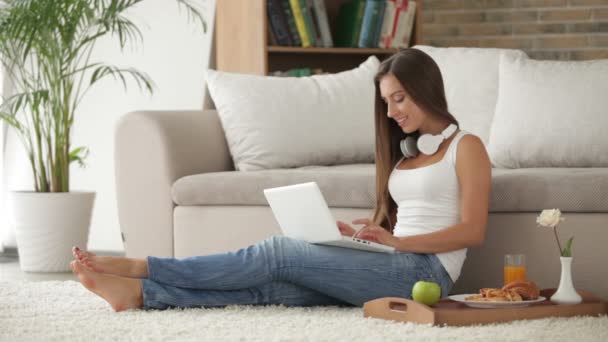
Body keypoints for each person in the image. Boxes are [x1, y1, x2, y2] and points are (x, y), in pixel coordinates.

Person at [70, 48, 491, 312]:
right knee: (275, 286)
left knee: (278, 253)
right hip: (393, 262)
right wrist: (369, 233)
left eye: (399, 98)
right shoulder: (407, 152)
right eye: (386, 103)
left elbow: (472, 230)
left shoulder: (465, 146)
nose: (392, 112)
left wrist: (397, 243)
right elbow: (412, 217)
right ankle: (142, 296)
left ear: (425, 88)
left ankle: (141, 266)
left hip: (425, 275)